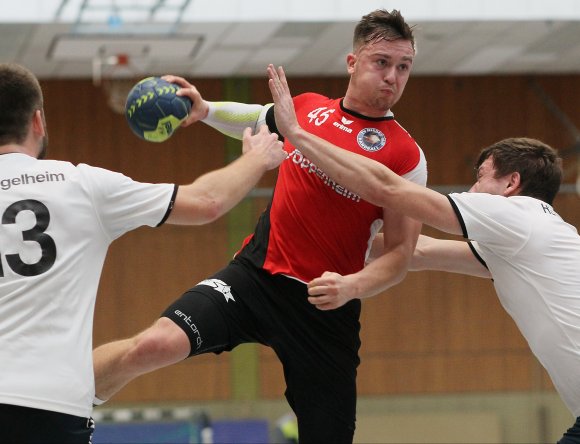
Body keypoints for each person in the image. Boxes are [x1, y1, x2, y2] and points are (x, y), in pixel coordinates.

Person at [93, 9, 426, 443]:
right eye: (382, 62)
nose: (392, 77)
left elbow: (400, 254)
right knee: (154, 344)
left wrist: (353, 287)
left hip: (325, 308)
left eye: (403, 67)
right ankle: (56, 401)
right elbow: (254, 118)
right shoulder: (306, 108)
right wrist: (206, 108)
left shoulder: (406, 157)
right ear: (352, 62)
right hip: (253, 278)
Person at [267, 63, 580, 444]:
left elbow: (391, 189)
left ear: (512, 184)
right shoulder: (523, 244)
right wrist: (325, 231)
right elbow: (420, 252)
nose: (471, 186)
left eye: (481, 176)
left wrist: (297, 134)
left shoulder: (519, 215)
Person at [0, 62, 285, 444]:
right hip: (49, 406)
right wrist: (257, 158)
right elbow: (206, 202)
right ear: (38, 121)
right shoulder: (81, 184)